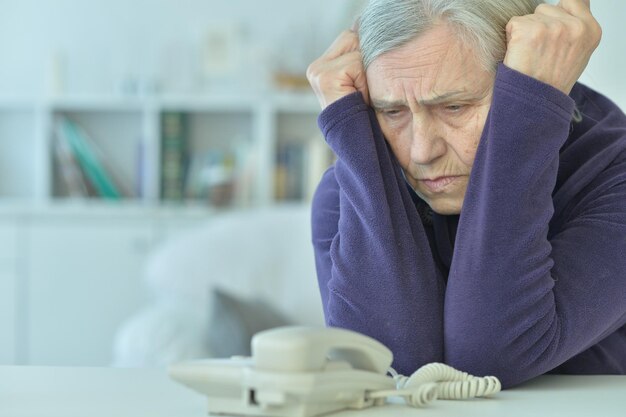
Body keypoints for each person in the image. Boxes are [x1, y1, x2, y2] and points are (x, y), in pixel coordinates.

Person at [306, 0, 626, 388]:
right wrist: (349, 128)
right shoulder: (353, 186)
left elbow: (493, 353)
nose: (422, 151)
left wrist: (530, 106)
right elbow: (386, 367)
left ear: (537, 74)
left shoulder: (615, 174)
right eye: (392, 112)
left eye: (455, 106)